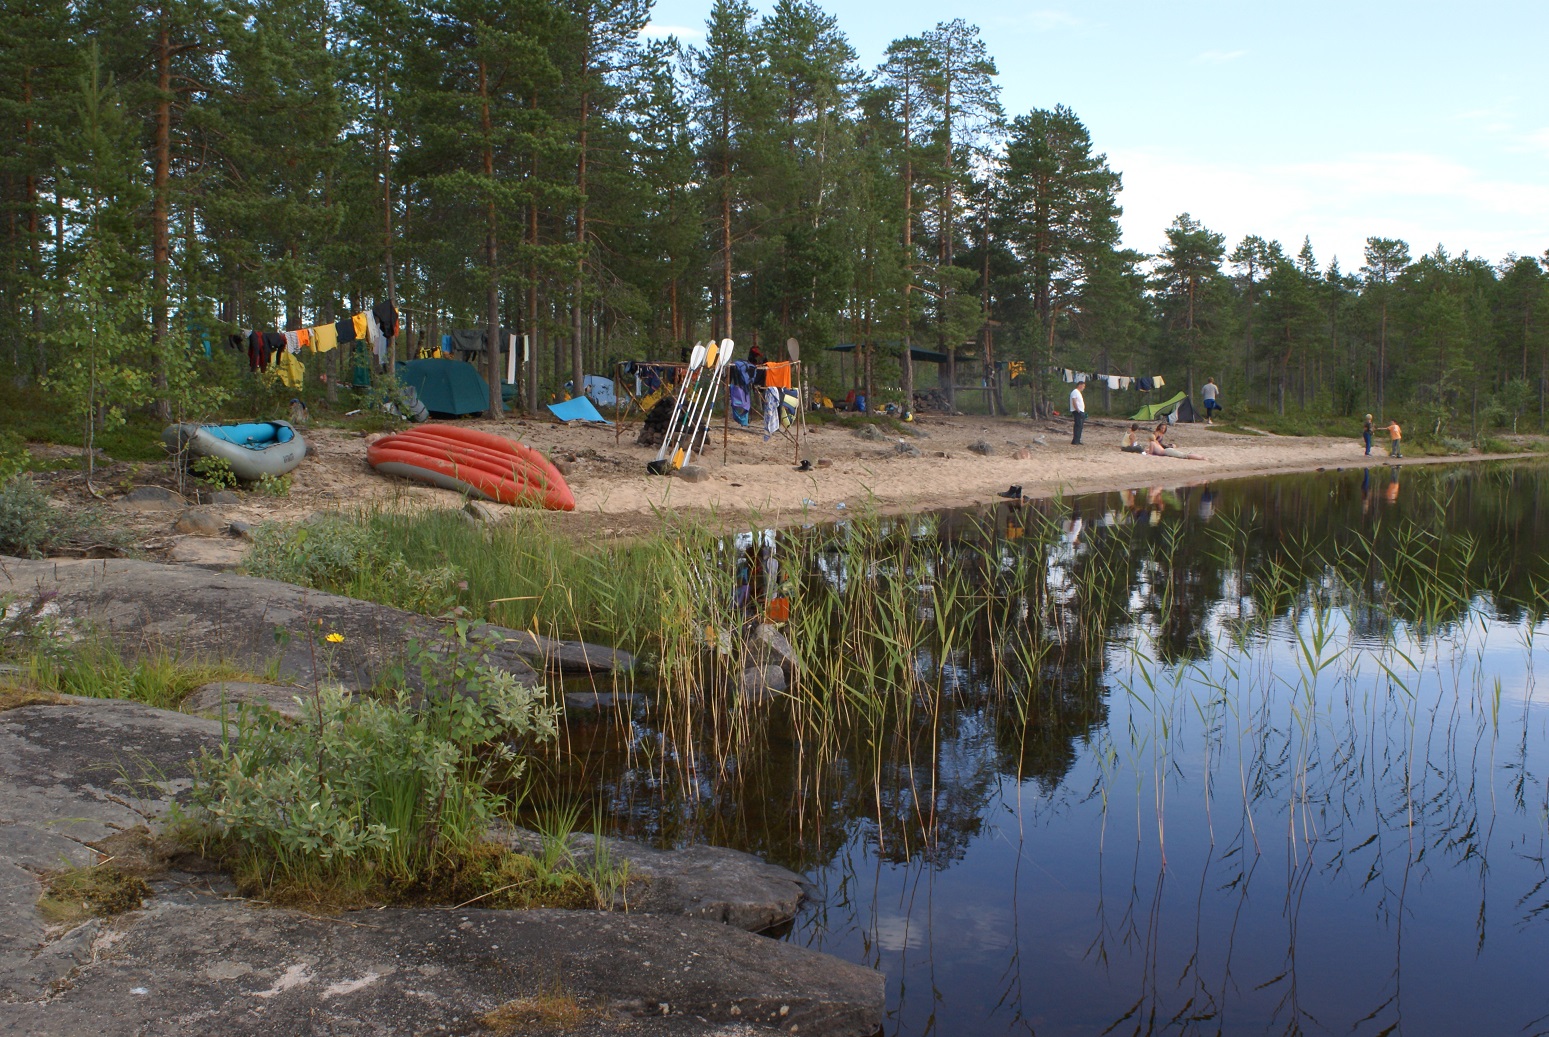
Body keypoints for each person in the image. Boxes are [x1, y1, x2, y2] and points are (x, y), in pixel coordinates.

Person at [1069, 379, 1086, 445]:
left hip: (1080, 411)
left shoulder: (1078, 392)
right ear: (1080, 385)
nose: (1083, 388)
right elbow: (1074, 401)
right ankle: (1076, 441)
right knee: (1078, 425)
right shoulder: (1075, 392)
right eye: (1083, 386)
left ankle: (1077, 439)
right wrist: (1078, 410)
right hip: (1077, 411)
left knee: (1080, 426)